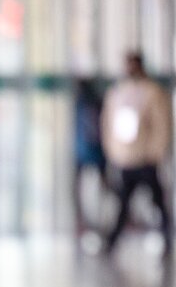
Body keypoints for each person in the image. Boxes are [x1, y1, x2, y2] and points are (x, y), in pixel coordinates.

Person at [102, 51, 172, 256]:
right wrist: (115, 153)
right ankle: (112, 241)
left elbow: (162, 126)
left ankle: (166, 236)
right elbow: (110, 125)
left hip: (146, 160)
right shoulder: (118, 93)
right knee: (123, 202)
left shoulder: (152, 93)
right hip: (126, 159)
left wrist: (156, 152)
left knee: (157, 201)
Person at [74, 77, 108, 236]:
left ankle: (96, 221)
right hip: (93, 153)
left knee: (93, 189)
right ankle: (91, 221)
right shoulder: (95, 104)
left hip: (86, 153)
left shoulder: (81, 106)